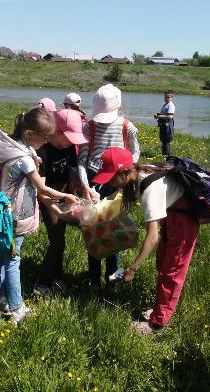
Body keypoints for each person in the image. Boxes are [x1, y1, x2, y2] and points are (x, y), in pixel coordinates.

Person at [91, 147, 199, 334]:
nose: (110, 182)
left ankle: (157, 323)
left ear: (125, 173)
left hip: (184, 220)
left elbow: (152, 236)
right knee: (163, 263)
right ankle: (160, 308)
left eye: (111, 177)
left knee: (172, 271)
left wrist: (132, 268)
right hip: (173, 214)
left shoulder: (150, 190)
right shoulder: (140, 170)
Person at [0, 107, 79, 324]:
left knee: (3, 256)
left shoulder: (11, 146)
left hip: (2, 212)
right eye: (44, 138)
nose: (46, 142)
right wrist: (66, 197)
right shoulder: (24, 159)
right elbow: (43, 189)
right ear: (29, 135)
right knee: (12, 259)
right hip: (13, 216)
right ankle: (17, 307)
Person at [77, 84, 140, 292]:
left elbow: (135, 154)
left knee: (113, 231)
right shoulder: (89, 127)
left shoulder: (127, 127)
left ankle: (112, 278)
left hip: (116, 182)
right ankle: (94, 280)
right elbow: (82, 160)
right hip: (94, 182)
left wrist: (123, 172)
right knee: (92, 231)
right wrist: (86, 186)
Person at [33, 109, 88, 297]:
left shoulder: (70, 146)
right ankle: (42, 284)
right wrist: (60, 204)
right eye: (70, 136)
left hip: (66, 195)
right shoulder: (43, 150)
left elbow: (71, 172)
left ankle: (58, 278)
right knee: (57, 242)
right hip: (49, 200)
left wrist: (82, 187)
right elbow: (41, 190)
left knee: (61, 239)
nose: (73, 141)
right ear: (57, 132)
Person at [153, 90, 175, 156]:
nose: (166, 98)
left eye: (168, 97)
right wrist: (159, 116)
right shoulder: (166, 104)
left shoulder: (170, 105)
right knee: (163, 140)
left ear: (172, 98)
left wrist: (159, 116)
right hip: (163, 125)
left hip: (167, 125)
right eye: (165, 97)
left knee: (166, 141)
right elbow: (165, 114)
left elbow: (170, 116)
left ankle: (167, 157)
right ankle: (164, 155)